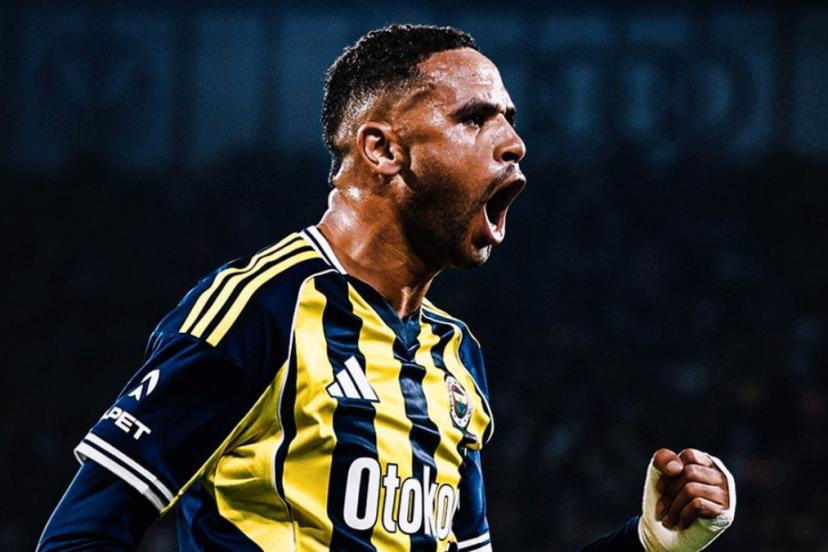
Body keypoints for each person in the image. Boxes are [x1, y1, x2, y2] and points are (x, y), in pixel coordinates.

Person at [38, 24, 735, 551]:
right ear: (383, 149)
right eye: (475, 118)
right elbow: (82, 534)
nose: (514, 143)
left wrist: (647, 542)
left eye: (510, 121)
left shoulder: (456, 355)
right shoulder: (263, 308)